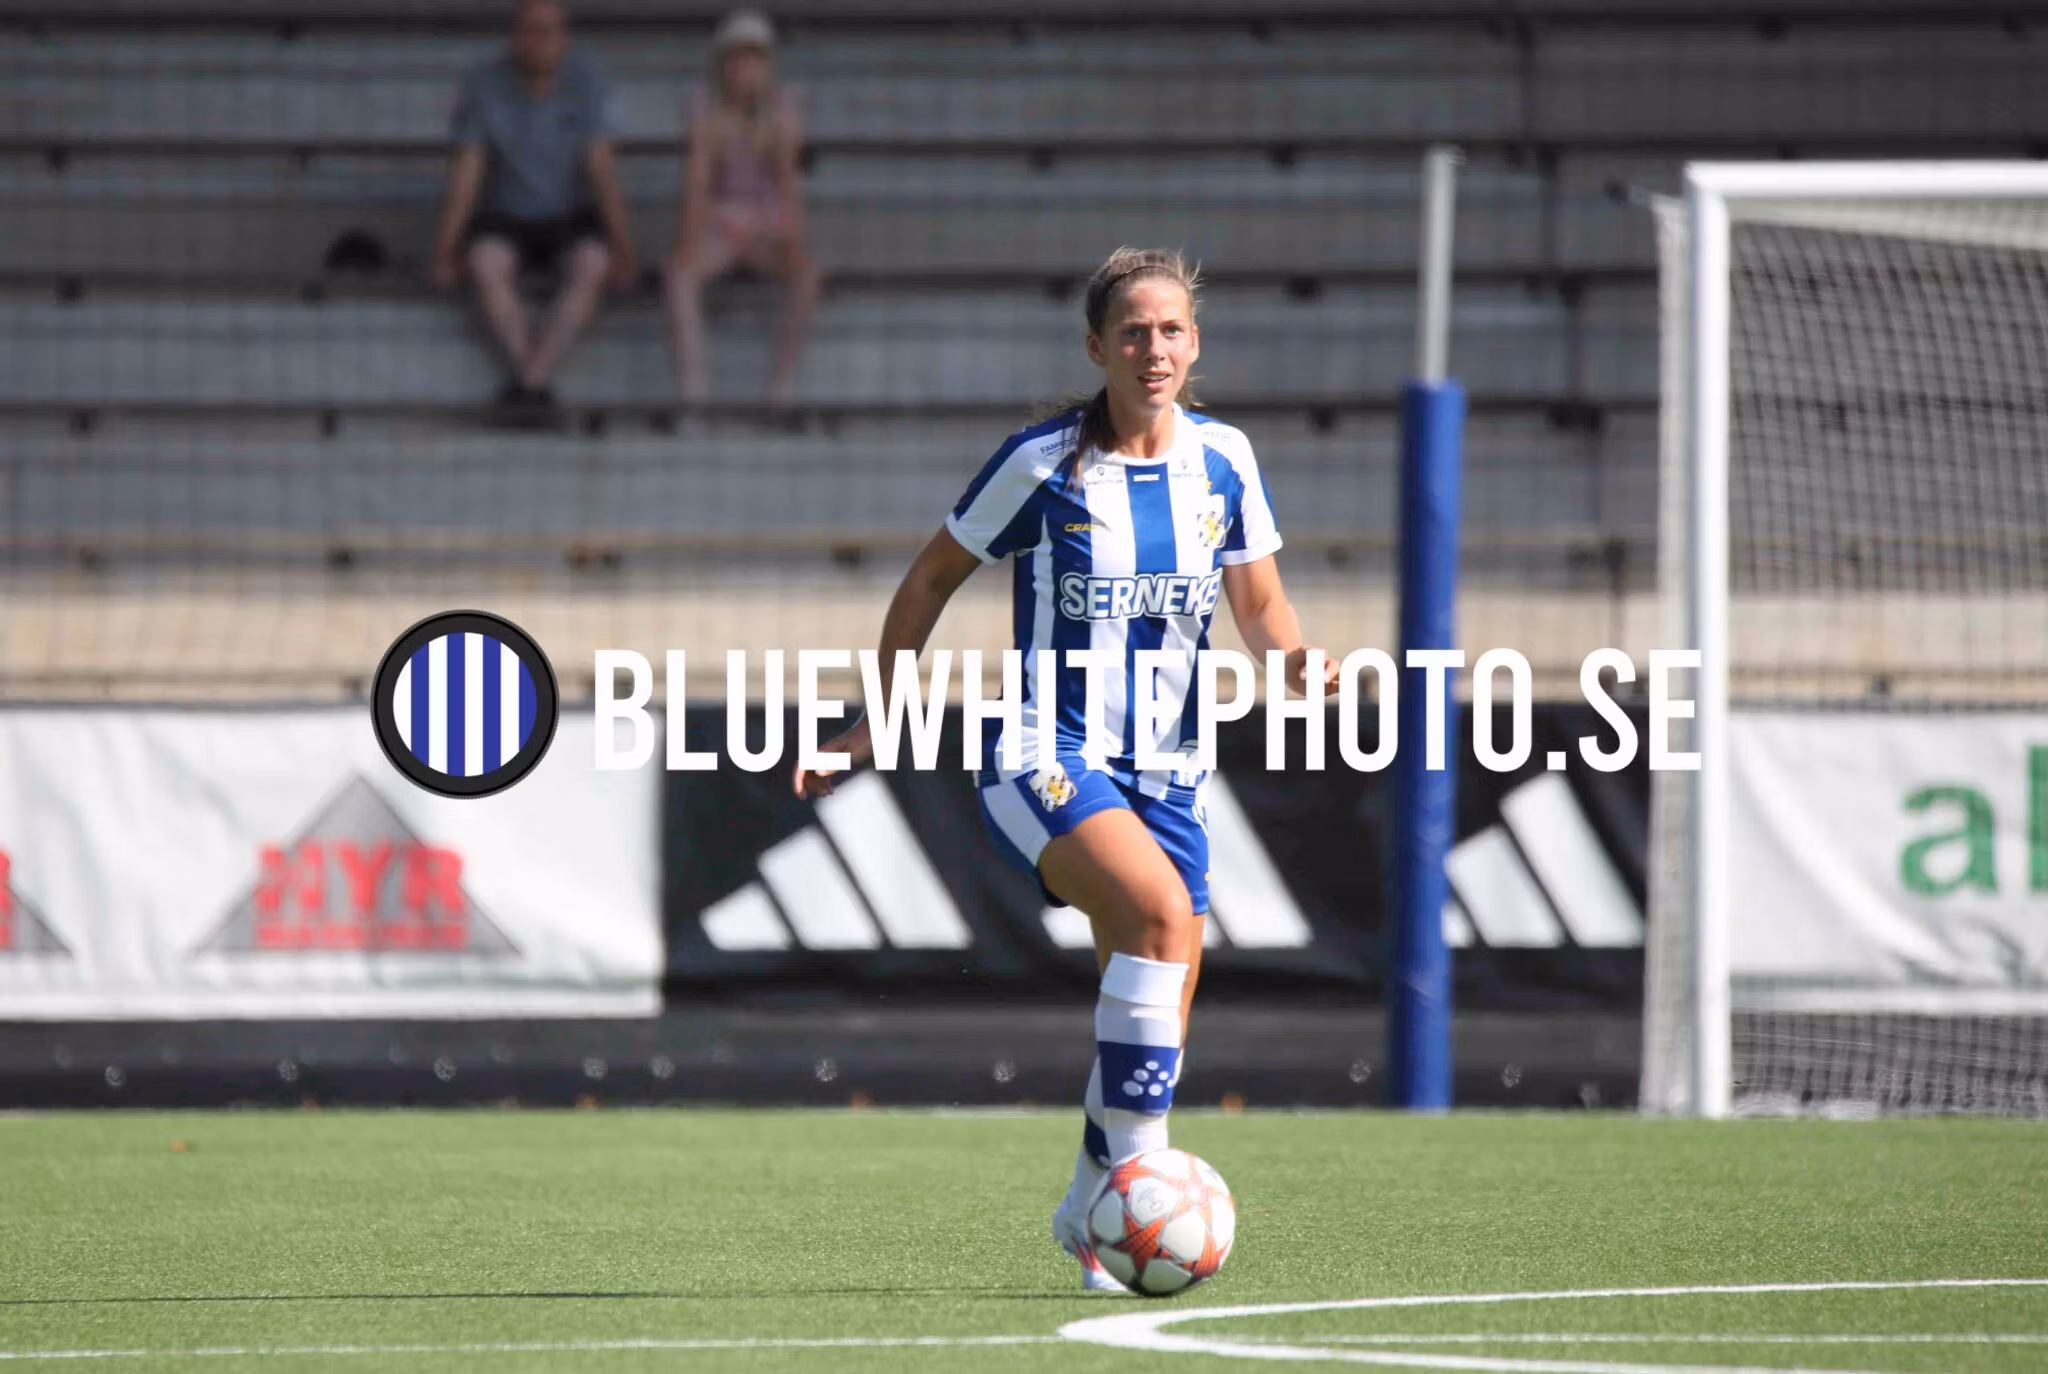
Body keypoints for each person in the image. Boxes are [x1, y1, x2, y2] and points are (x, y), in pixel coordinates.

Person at [793, 247, 1339, 1292]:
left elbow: (1260, 603)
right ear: (1097, 348)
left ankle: (1088, 1208)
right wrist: (877, 719)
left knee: (1153, 1015)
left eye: (1170, 330)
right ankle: (1141, 1194)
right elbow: (929, 578)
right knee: (1161, 918)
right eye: (1133, 332)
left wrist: (1294, 660)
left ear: (1195, 343)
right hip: (1046, 749)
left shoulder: (1225, 460)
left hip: (1171, 773)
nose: (1153, 348)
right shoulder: (1043, 464)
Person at [433, 0, 638, 419]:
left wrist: (624, 248)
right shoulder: (483, 84)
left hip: (569, 214)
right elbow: (468, 172)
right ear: (513, 37)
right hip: (506, 213)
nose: (540, 40)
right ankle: (536, 384)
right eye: (530, 30)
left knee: (593, 264)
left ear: (565, 37)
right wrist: (445, 248)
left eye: (549, 31)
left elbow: (602, 171)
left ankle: (529, 383)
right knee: (484, 262)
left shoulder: (586, 81)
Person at [665, 9, 820, 407]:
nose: (746, 67)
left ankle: (779, 391)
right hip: (721, 224)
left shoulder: (784, 108)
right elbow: (697, 183)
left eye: (755, 57)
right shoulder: (704, 106)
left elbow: (788, 185)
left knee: (807, 277)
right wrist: (688, 242)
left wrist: (795, 242)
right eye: (738, 56)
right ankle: (693, 396)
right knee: (679, 276)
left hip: (767, 226)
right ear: (723, 63)